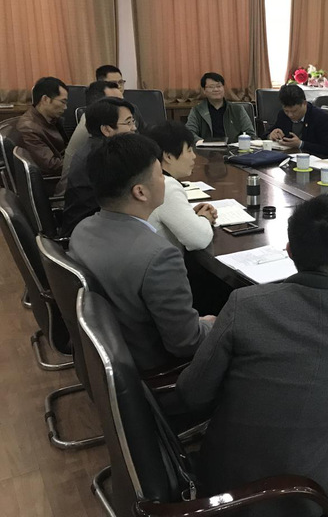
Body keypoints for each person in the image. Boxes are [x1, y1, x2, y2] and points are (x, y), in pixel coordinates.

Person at [177, 194, 328, 517]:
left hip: (220, 479)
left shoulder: (244, 304)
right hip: (300, 492)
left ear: (289, 251)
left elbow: (191, 393)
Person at [69, 134, 215, 373]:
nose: (165, 180)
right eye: (160, 175)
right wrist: (211, 324)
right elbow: (187, 343)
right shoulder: (159, 256)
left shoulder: (81, 231)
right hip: (152, 367)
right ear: (140, 192)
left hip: (106, 354)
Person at [61, 97, 138, 236]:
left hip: (87, 226)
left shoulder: (93, 147)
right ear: (106, 129)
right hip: (90, 233)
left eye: (133, 121)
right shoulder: (105, 157)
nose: (134, 128)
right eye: (128, 123)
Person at [146, 121, 217, 251]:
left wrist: (190, 216)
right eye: (189, 150)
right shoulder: (165, 186)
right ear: (168, 156)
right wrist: (205, 218)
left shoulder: (148, 178)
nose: (194, 156)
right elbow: (199, 239)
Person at [61, 80, 124, 180]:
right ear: (99, 105)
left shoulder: (92, 118)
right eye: (117, 103)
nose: (124, 108)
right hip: (78, 187)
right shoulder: (94, 126)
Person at [14, 77, 68, 176]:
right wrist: (80, 162)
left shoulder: (52, 120)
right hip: (54, 179)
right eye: (63, 102)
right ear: (45, 99)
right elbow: (51, 165)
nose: (65, 107)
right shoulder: (29, 128)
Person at [268, 84, 328, 158]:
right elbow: (266, 133)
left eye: (294, 111)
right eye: (286, 111)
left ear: (304, 104)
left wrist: (301, 144)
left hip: (316, 160)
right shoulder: (283, 115)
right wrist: (271, 135)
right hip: (289, 158)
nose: (290, 115)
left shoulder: (321, 118)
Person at [185, 72, 255, 143]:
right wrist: (204, 143)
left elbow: (250, 134)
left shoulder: (237, 109)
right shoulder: (197, 110)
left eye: (219, 86)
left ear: (223, 88)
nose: (216, 89)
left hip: (233, 148)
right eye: (211, 87)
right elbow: (189, 133)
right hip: (207, 148)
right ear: (204, 90)